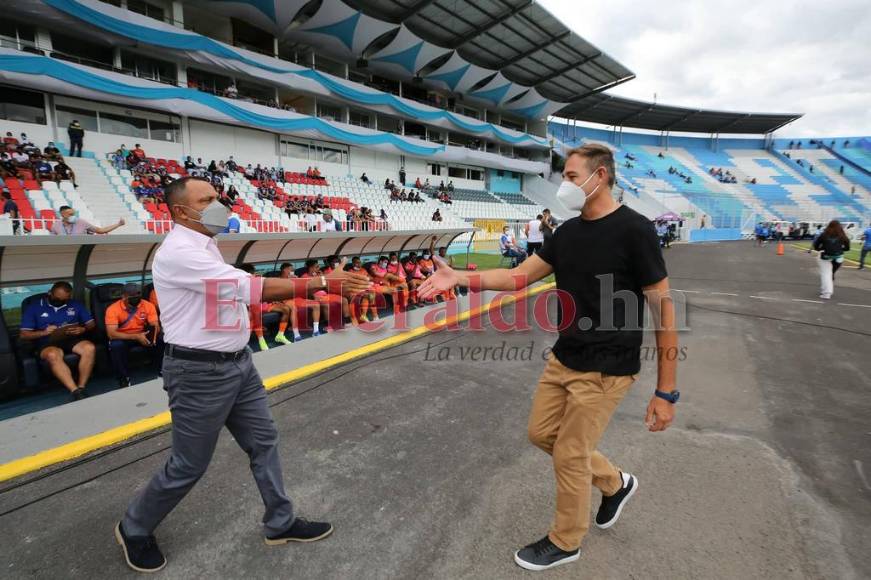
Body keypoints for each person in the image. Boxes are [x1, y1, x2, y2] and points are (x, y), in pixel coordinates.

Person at [418, 143, 678, 571]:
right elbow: (518, 276)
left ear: (601, 177)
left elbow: (664, 309)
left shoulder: (635, 230)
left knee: (571, 453)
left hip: (607, 366)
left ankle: (566, 539)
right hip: (565, 357)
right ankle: (614, 483)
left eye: (572, 177)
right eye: (565, 177)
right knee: (542, 435)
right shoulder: (568, 233)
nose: (564, 186)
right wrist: (460, 276)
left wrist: (666, 391)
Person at [116, 177, 371, 572]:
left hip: (237, 364)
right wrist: (323, 281)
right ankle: (134, 526)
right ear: (181, 211)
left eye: (218, 196)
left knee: (264, 441)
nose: (220, 204)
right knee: (189, 465)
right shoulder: (179, 252)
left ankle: (280, 522)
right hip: (199, 371)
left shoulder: (206, 244)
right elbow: (249, 289)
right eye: (208, 200)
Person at [19, 281, 97, 400]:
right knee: (53, 355)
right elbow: (24, 335)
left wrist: (83, 329)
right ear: (50, 293)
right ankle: (75, 391)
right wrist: (44, 332)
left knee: (89, 348)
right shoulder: (34, 307)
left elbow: (91, 324)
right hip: (46, 342)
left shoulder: (75, 305)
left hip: (70, 338)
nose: (60, 301)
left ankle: (81, 386)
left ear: (68, 297)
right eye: (57, 298)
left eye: (64, 299)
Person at [105, 283, 162, 389]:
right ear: (124, 296)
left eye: (137, 296)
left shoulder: (148, 305)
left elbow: (155, 325)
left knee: (160, 339)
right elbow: (111, 334)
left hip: (143, 333)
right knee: (116, 346)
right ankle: (123, 377)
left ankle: (161, 369)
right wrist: (136, 336)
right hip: (123, 335)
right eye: (132, 297)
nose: (135, 299)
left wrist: (151, 336)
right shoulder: (113, 309)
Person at [812, 220, 850, 300]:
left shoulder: (824, 234)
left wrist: (822, 249)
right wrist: (840, 249)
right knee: (830, 274)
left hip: (826, 256)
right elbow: (847, 248)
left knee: (826, 274)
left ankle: (827, 292)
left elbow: (816, 246)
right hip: (838, 258)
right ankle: (825, 289)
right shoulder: (842, 235)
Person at [50, 206, 125, 235]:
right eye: (70, 214)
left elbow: (100, 230)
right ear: (62, 214)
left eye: (73, 214)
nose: (73, 216)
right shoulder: (55, 226)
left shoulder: (81, 222)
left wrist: (118, 224)